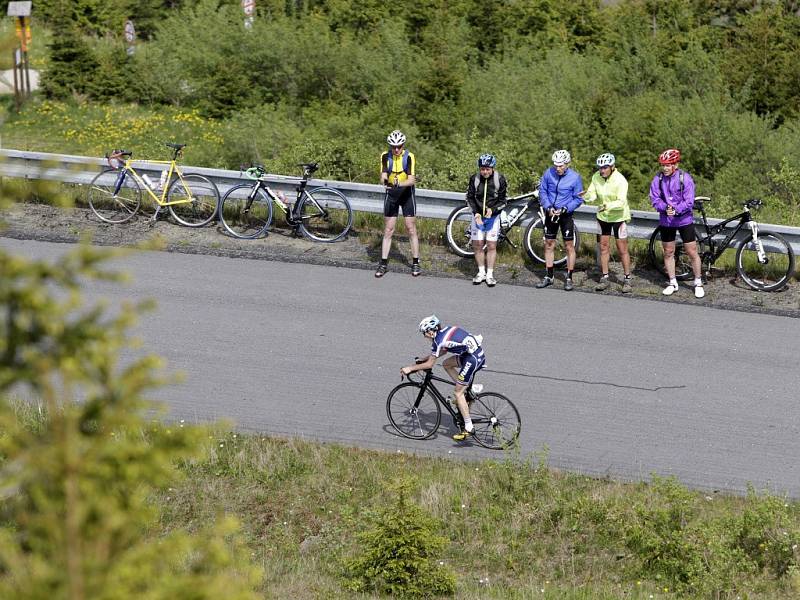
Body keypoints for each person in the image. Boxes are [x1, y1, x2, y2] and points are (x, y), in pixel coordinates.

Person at [400, 315, 485, 442]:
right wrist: (423, 359)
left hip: (472, 359)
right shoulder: (445, 332)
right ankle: (469, 389)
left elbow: (430, 364)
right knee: (446, 364)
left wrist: (410, 368)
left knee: (458, 393)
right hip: (473, 354)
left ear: (430, 331)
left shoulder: (438, 341)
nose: (424, 336)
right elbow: (443, 351)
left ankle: (468, 427)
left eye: (424, 333)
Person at [649, 148, 704, 299]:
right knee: (668, 252)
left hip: (684, 219)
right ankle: (672, 282)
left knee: (692, 251)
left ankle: (698, 282)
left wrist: (677, 210)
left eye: (668, 165)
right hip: (666, 221)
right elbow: (654, 198)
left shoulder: (685, 179)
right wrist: (665, 208)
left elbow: (689, 201)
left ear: (676, 165)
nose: (665, 168)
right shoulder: (658, 179)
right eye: (663, 165)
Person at [583, 153, 633, 293]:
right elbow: (593, 194)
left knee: (622, 248)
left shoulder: (620, 180)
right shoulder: (596, 177)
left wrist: (607, 206)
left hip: (618, 217)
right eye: (600, 168)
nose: (602, 170)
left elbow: (621, 202)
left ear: (612, 167)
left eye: (605, 168)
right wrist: (586, 196)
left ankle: (627, 278)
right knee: (603, 247)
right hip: (603, 217)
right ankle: (605, 277)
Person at [535, 150, 584, 290]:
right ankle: (549, 276)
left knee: (569, 245)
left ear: (567, 164)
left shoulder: (575, 177)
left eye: (561, 165)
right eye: (556, 165)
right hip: (551, 212)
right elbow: (543, 191)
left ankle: (569, 277)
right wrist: (548, 206)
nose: (558, 168)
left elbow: (578, 198)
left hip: (565, 214)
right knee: (549, 243)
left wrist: (565, 208)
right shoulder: (548, 173)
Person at [375, 130, 420, 278]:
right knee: (388, 230)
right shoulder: (384, 156)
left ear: (403, 145)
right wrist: (387, 182)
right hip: (392, 195)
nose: (396, 149)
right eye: (393, 146)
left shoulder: (409, 157)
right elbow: (382, 177)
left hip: (406, 194)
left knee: (410, 228)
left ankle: (415, 262)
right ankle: (383, 263)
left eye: (399, 146)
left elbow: (411, 180)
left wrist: (398, 184)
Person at [465, 154, 508, 287]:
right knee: (477, 244)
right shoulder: (474, 179)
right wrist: (476, 213)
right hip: (478, 215)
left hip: (493, 216)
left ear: (492, 168)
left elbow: (503, 201)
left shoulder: (499, 179)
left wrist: (493, 210)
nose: (485, 172)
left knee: (491, 245)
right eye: (482, 169)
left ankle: (490, 275)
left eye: (487, 169)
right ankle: (481, 272)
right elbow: (470, 198)